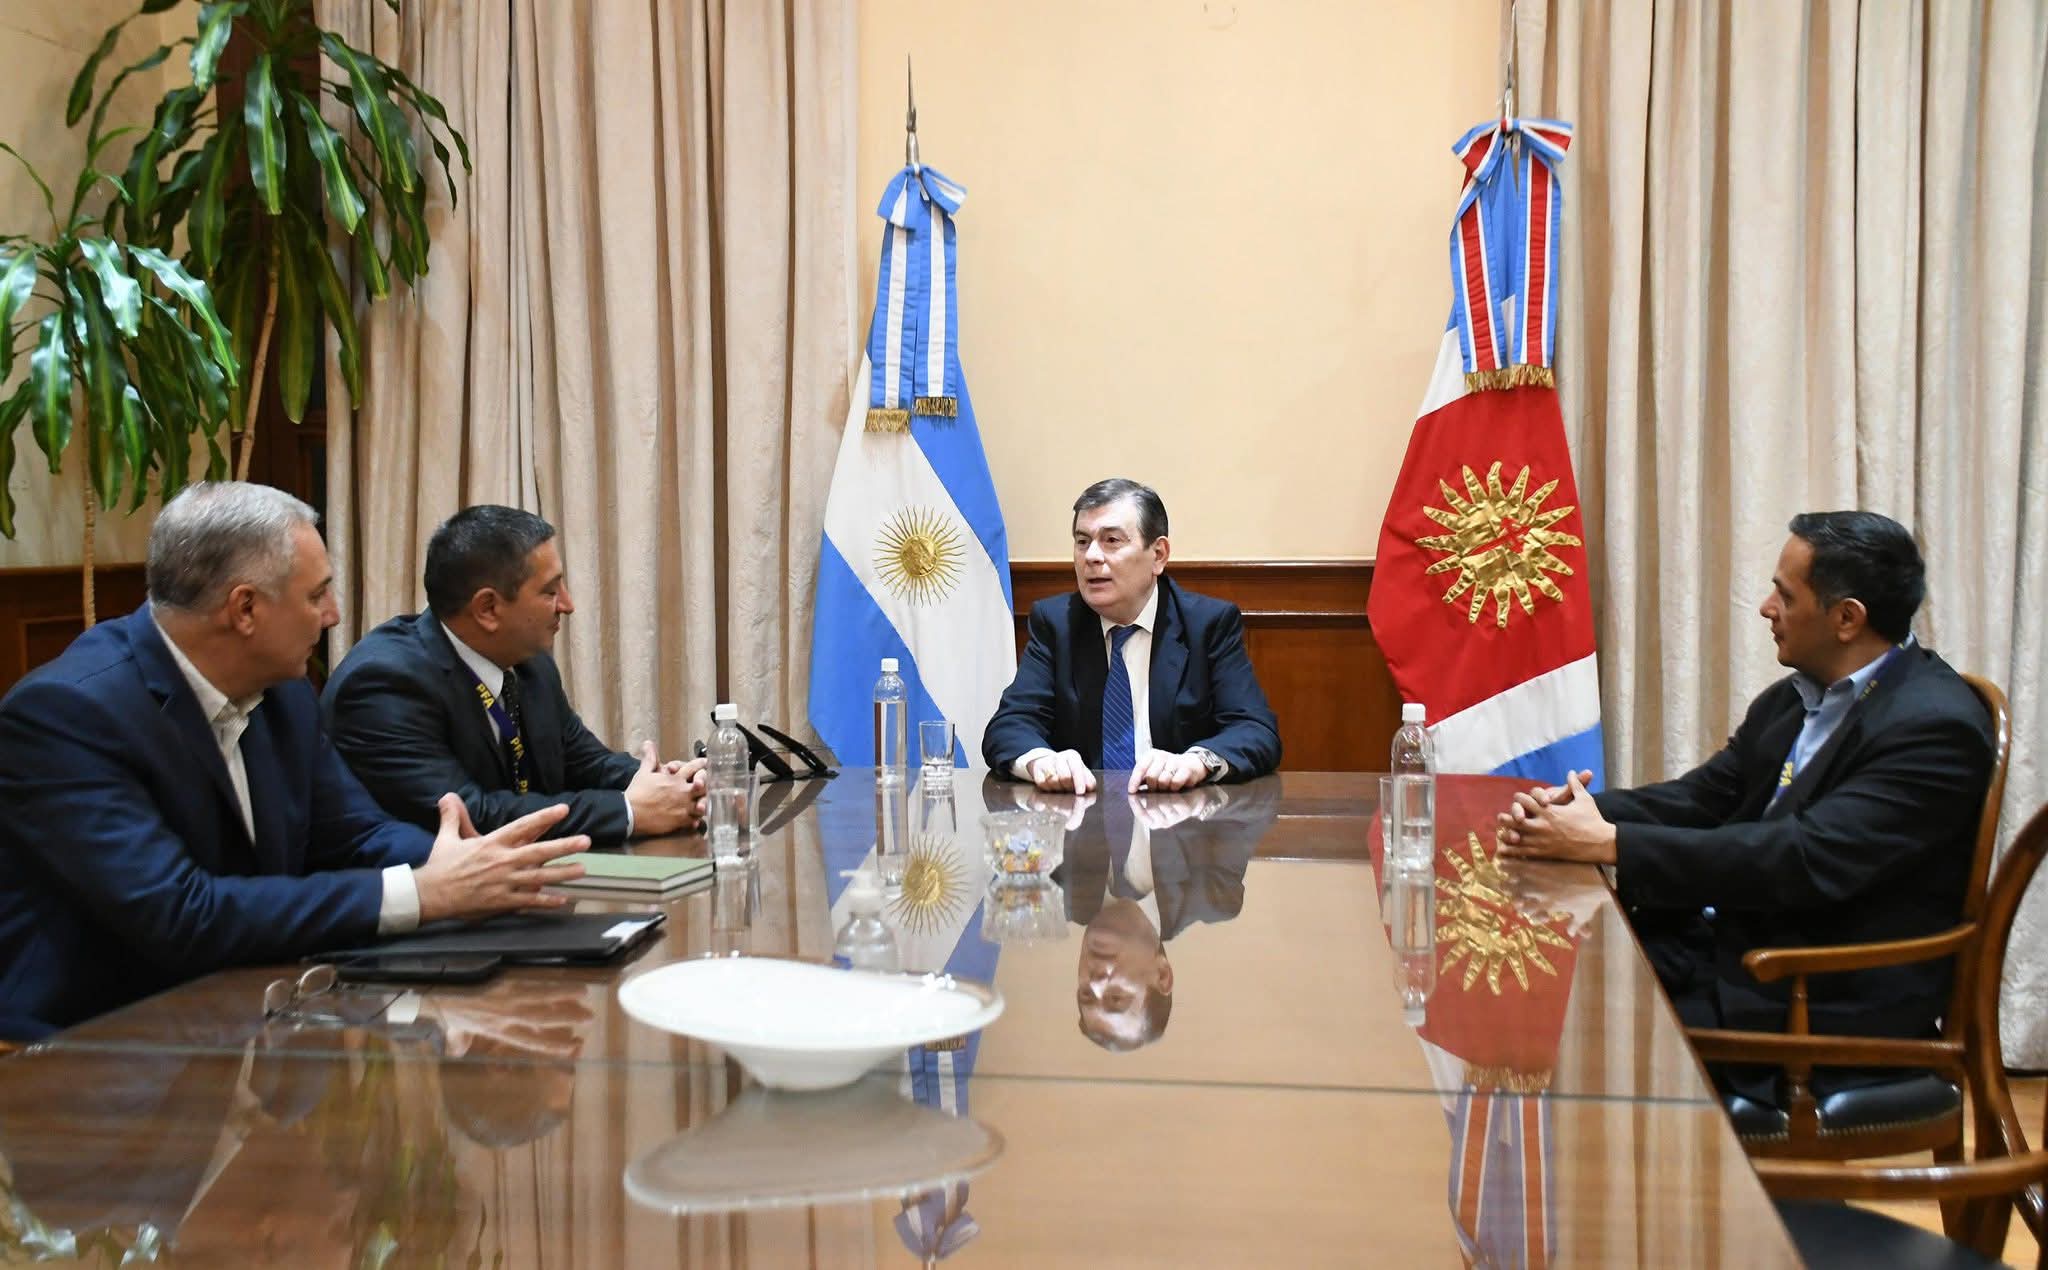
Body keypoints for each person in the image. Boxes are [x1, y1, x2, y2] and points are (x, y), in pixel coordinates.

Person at [0, 483, 588, 1040]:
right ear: (245, 608)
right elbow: (181, 915)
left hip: (256, 1013)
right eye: (316, 595)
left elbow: (356, 835)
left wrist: (460, 862)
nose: (333, 615)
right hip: (95, 1047)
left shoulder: (283, 691)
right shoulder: (66, 715)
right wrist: (422, 892)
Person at [1495, 511, 1996, 1056]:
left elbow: (1804, 857)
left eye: (1786, 595)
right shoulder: (1796, 698)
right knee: (1527, 974)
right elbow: (1702, 798)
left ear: (1847, 618)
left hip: (1812, 991)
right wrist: (1577, 813)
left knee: (1576, 1029)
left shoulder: (1934, 727)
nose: (1766, 607)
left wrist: (1612, 843)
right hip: (1727, 950)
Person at [322, 505, 705, 845]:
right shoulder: (383, 684)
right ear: (488, 609)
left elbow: (586, 763)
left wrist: (678, 786)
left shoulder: (528, 664)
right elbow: (474, 817)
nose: (567, 605)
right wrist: (630, 811)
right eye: (550, 591)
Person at [982, 477, 1282, 794]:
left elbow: (1255, 730)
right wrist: (1041, 761)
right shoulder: (1057, 624)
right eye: (1082, 541)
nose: (1091, 556)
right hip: (1082, 813)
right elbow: (1009, 726)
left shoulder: (1206, 625)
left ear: (1158, 555)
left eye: (1111, 540)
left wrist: (1196, 762)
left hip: (1181, 815)